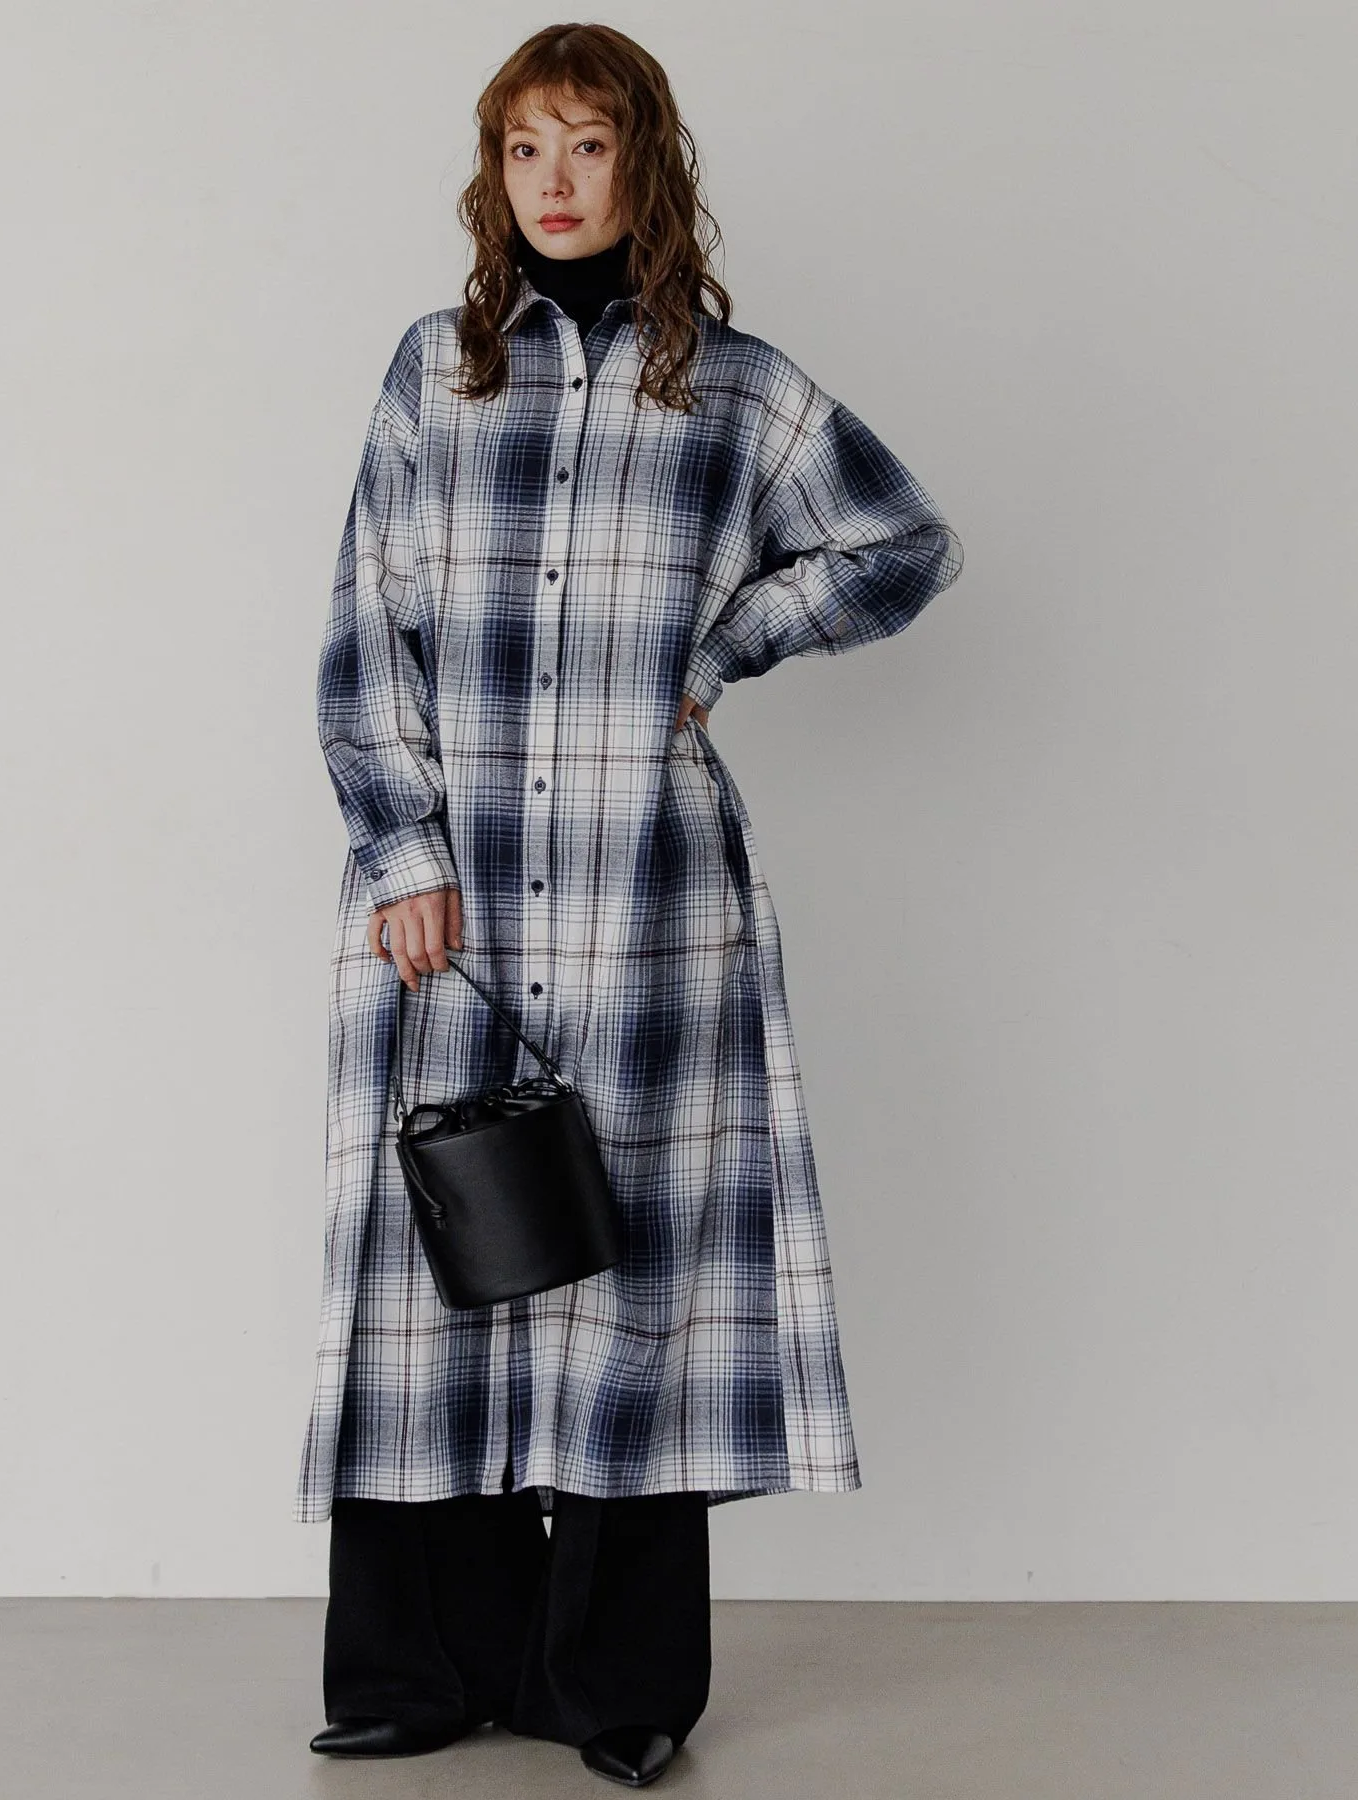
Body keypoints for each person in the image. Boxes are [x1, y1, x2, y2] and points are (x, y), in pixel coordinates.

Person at [295, 21, 965, 1789]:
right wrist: (404, 856)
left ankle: (614, 1684)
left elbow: (902, 542)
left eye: (586, 146)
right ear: (493, 173)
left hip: (646, 906)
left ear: (643, 164)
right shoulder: (433, 374)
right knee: (432, 1271)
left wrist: (723, 645)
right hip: (450, 912)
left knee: (633, 1273)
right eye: (524, 149)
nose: (554, 182)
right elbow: (367, 630)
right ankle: (421, 1668)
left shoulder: (736, 393)